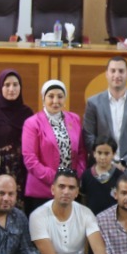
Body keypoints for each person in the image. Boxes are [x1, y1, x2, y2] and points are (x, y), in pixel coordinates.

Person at [30, 168, 112, 254]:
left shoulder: (85, 213)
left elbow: (99, 249)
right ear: (53, 189)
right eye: (61, 186)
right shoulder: (38, 215)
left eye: (71, 187)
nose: (66, 191)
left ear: (77, 192)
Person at [22, 79, 86, 214]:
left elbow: (81, 152)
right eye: (51, 96)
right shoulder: (32, 123)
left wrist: (75, 177)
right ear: (43, 99)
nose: (55, 101)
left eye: (60, 96)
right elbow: (30, 160)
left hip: (70, 189)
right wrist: (57, 180)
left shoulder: (74, 119)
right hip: (42, 190)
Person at [82, 56, 127, 181]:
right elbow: (88, 136)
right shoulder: (93, 103)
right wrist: (107, 160)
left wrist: (125, 162)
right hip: (100, 169)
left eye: (121, 71)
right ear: (106, 74)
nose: (117, 75)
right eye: (113, 71)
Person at [81, 136, 119, 215]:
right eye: (99, 153)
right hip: (91, 217)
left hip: (112, 218)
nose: (102, 157)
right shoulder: (86, 175)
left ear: (114, 154)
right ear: (94, 153)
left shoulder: (119, 175)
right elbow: (83, 197)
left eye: (106, 153)